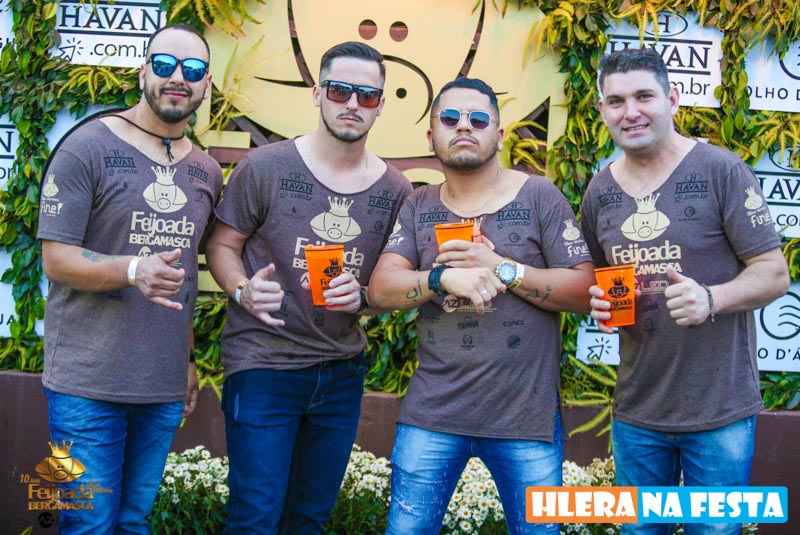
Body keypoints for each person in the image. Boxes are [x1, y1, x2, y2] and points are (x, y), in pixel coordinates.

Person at [368, 77, 595, 534]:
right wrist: (440, 278)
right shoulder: (418, 204)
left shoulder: (539, 196)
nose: (463, 127)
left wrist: (503, 269)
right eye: (450, 118)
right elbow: (380, 289)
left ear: (500, 134)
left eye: (478, 119)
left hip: (525, 419)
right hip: (432, 414)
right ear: (431, 136)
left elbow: (585, 289)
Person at [205, 41, 412, 533]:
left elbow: (390, 282)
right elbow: (221, 245)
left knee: (310, 520)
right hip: (264, 362)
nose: (352, 104)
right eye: (340, 90)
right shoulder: (266, 167)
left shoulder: (395, 190)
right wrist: (242, 289)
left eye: (367, 95)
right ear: (318, 93)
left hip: (341, 372)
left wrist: (364, 297)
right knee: (255, 517)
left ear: (381, 105)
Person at [582, 47, 790, 535]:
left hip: (719, 411)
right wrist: (599, 303)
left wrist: (712, 299)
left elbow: (774, 273)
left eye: (644, 96)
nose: (630, 112)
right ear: (603, 111)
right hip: (637, 410)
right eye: (616, 101)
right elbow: (598, 277)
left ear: (673, 98)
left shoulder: (721, 171)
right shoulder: (600, 191)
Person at [36, 24, 222, 533]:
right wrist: (133, 269)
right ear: (143, 73)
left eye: (193, 69)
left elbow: (184, 277)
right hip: (85, 384)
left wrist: (187, 360)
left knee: (134, 523)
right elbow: (56, 260)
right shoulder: (86, 147)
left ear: (206, 84)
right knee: (87, 525)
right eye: (164, 65)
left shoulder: (207, 171)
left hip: (160, 385)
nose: (178, 77)